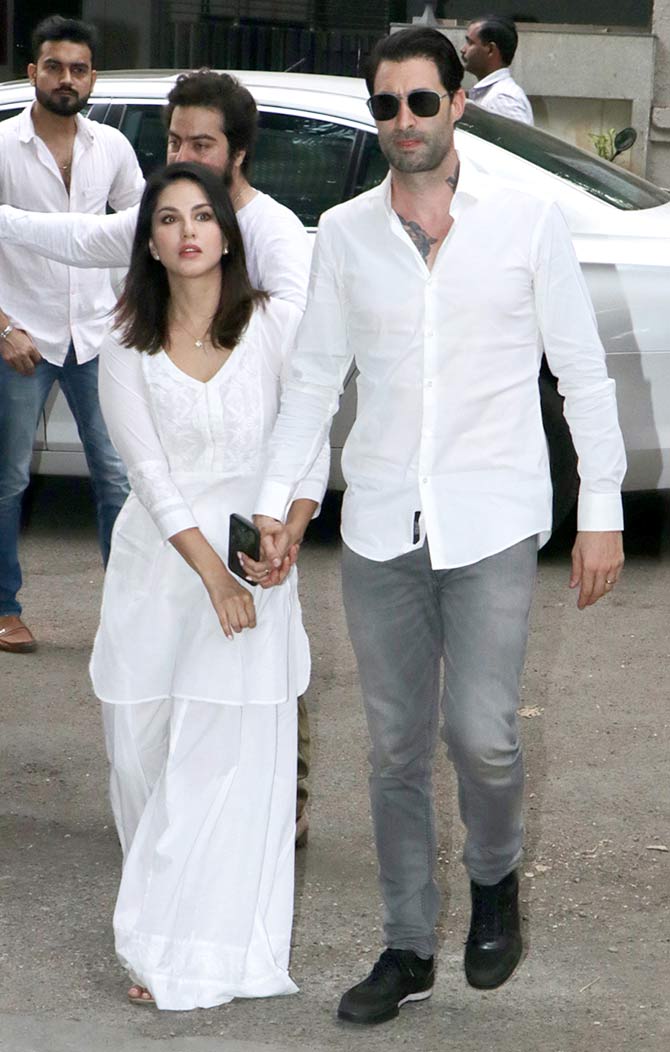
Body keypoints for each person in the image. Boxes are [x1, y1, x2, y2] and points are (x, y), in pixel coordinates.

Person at [251, 26, 625, 1026]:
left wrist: (600, 509)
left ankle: (496, 879)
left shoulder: (529, 223)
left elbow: (581, 375)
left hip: (494, 514)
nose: (402, 121)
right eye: (385, 105)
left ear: (459, 102)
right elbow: (311, 384)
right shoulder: (343, 233)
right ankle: (408, 944)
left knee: (484, 736)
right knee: (392, 751)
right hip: (379, 524)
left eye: (421, 101)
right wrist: (274, 505)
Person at [0, 69, 314, 841]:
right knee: (149, 721)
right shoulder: (159, 224)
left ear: (239, 153)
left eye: (201, 142)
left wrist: (287, 516)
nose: (184, 153)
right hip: (168, 524)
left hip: (250, 509)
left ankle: (274, 810)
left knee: (239, 711)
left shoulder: (273, 237)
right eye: (174, 140)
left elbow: (300, 386)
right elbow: (76, 238)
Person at [92, 161, 327, 1010]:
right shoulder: (125, 343)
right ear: (149, 244)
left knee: (222, 765)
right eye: (167, 219)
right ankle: (162, 918)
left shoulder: (275, 324)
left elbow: (310, 433)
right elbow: (149, 477)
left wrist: (289, 528)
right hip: (163, 566)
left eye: (202, 215)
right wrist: (212, 577)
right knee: (142, 756)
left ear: (227, 232)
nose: (187, 231)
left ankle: (187, 952)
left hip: (257, 560)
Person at [0, 15, 144, 654]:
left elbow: (143, 232)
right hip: (19, 336)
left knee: (119, 476)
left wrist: (131, 314)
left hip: (97, 335)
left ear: (92, 78)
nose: (66, 79)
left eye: (78, 69)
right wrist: (3, 328)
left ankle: (128, 612)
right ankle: (3, 608)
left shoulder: (111, 147)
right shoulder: (2, 147)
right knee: (8, 481)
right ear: (33, 73)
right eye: (54, 67)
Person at [461, 14, 534, 125]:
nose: (463, 49)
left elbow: (514, 142)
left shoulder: (503, 99)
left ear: (490, 49)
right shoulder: (493, 94)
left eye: (470, 43)